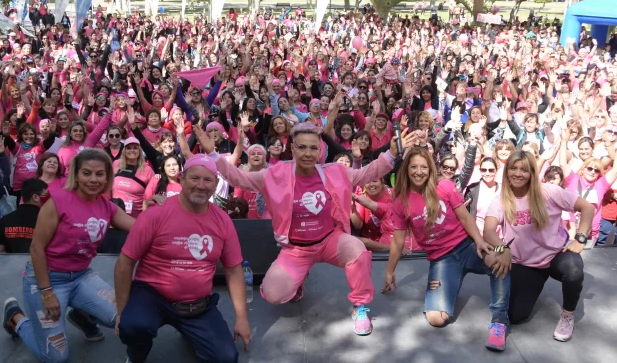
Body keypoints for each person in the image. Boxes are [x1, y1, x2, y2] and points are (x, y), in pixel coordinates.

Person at [204, 122, 414, 336]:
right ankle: (298, 282)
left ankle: (360, 307)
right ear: (293, 149)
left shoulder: (335, 172)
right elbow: (240, 178)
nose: (307, 153)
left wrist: (391, 154)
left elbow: (366, 173)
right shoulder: (274, 175)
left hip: (329, 240)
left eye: (313, 148)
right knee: (273, 294)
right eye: (302, 147)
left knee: (358, 250)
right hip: (296, 250)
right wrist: (212, 154)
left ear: (320, 150)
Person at [1, 149, 135, 362]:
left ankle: (82, 314)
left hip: (82, 277)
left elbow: (141, 228)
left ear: (108, 176)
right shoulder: (57, 201)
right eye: (86, 173)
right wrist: (47, 293)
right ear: (76, 174)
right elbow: (36, 249)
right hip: (47, 280)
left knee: (126, 318)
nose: (93, 179)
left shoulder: (107, 208)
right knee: (56, 357)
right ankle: (15, 319)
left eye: (99, 174)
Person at [115, 154, 251, 362]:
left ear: (216, 185)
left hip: (196, 305)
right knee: (132, 327)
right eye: (195, 178)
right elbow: (126, 262)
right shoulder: (155, 214)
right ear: (182, 179)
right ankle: (135, 355)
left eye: (208, 180)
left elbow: (233, 269)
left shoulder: (222, 221)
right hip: (153, 297)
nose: (201, 185)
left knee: (226, 358)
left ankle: (191, 332)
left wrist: (242, 318)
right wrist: (122, 311)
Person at [383, 147, 511, 351]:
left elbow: (465, 217)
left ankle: (499, 320)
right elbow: (398, 241)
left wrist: (478, 240)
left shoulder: (445, 186)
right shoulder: (401, 202)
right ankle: (453, 282)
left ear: (430, 168)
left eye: (423, 167)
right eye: (414, 167)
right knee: (436, 318)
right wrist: (390, 271)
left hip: (466, 246)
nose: (419, 171)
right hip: (442, 260)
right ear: (406, 170)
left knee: (499, 261)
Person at [484, 151, 594, 342]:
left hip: (555, 256)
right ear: (507, 171)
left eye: (524, 170)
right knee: (516, 317)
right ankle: (535, 283)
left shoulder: (548, 191)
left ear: (532, 173)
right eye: (514, 168)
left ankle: (568, 315)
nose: (518, 173)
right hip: (525, 263)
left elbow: (588, 208)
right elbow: (488, 232)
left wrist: (580, 239)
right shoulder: (501, 199)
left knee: (574, 268)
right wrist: (503, 249)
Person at [0, 178, 48, 253]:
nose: (48, 200)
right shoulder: (48, 221)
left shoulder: (4, 221)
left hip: (10, 264)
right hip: (37, 263)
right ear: (35, 197)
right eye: (46, 196)